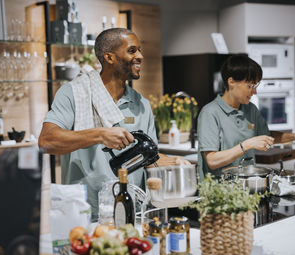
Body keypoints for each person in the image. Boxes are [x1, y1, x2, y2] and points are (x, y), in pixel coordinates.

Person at [39, 28, 187, 220]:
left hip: (133, 211)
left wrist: (173, 162)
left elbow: (149, 158)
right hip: (85, 213)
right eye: (132, 51)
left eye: (140, 50)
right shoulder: (73, 94)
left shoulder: (141, 104)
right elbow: (46, 141)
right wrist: (100, 134)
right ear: (110, 58)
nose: (140, 56)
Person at [197, 54, 295, 179]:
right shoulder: (210, 113)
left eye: (256, 86)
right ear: (231, 82)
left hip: (247, 189)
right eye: (250, 86)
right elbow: (212, 161)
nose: (255, 92)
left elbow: (267, 137)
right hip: (219, 194)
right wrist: (247, 145)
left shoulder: (250, 109)